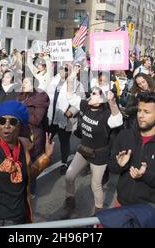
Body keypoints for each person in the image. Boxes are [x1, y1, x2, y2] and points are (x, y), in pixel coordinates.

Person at [64, 65, 123, 214]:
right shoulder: (86, 106)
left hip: (99, 154)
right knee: (69, 176)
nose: (91, 94)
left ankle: (98, 213)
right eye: (92, 92)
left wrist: (112, 102)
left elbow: (118, 121)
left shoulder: (106, 115)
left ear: (102, 99)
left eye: (95, 93)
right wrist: (72, 76)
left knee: (95, 185)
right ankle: (70, 200)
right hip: (84, 149)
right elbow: (71, 95)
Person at [109, 92, 155, 205]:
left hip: (148, 210)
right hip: (121, 203)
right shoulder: (124, 136)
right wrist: (120, 165)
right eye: (139, 110)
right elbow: (112, 167)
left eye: (146, 112)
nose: (140, 115)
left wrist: (145, 175)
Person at [47, 64, 85, 175]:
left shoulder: (77, 84)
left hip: (65, 117)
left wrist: (71, 111)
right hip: (51, 116)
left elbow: (80, 99)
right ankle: (47, 157)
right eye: (61, 68)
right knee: (48, 139)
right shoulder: (54, 80)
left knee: (64, 141)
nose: (62, 71)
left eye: (65, 69)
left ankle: (64, 163)